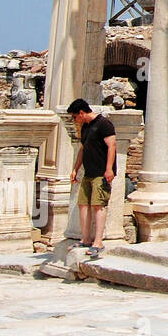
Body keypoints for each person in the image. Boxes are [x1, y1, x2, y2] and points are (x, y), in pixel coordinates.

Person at [67, 99, 116, 256]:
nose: (74, 120)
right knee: (83, 204)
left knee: (98, 205)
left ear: (81, 113)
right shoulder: (86, 127)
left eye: (75, 117)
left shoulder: (104, 124)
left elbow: (112, 146)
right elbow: (83, 148)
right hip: (88, 172)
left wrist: (109, 169)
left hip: (101, 173)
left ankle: (98, 242)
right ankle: (86, 239)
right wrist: (75, 169)